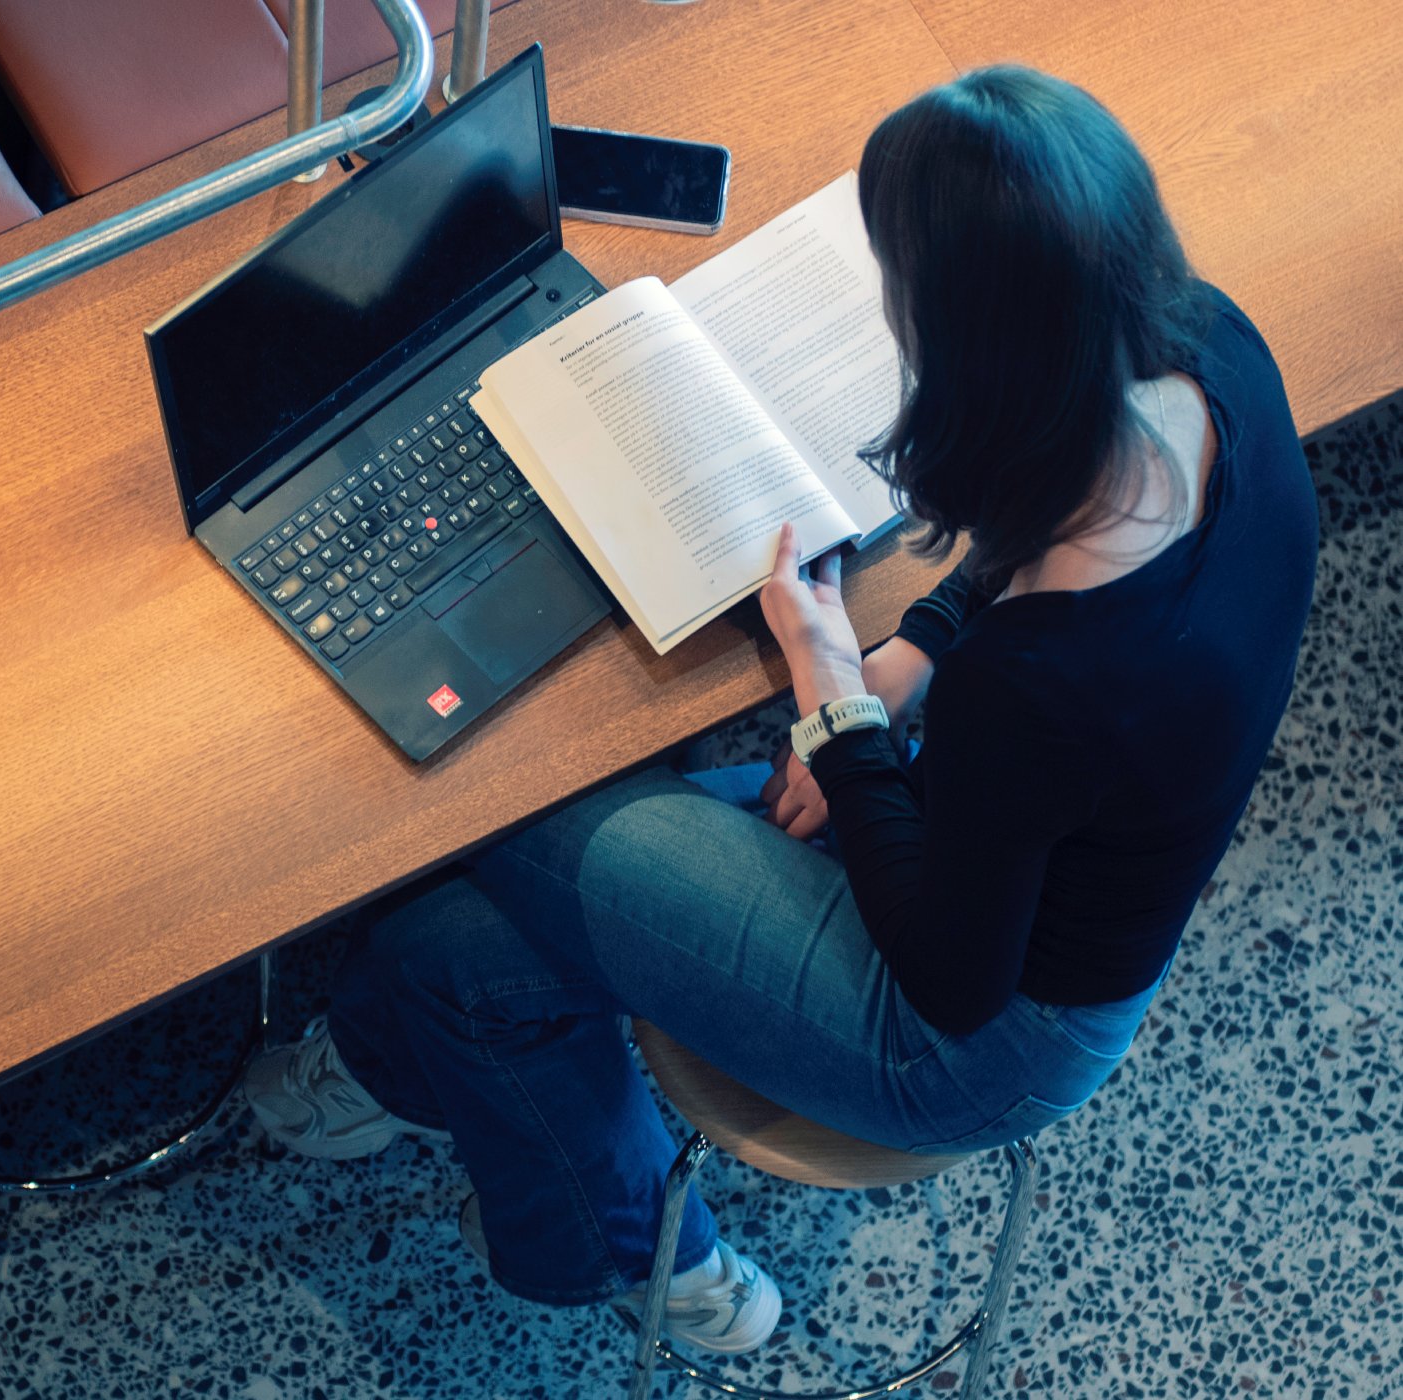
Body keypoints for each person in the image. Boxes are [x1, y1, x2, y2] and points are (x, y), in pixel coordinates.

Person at [244, 64, 1317, 1353]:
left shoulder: (1048, 689)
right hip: (1032, 874)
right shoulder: (1205, 346)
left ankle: (604, 1233)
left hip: (969, 1034)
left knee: (499, 819)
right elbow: (1045, 520)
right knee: (444, 953)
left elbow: (947, 976)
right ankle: (415, 1071)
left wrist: (835, 706)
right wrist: (913, 645)